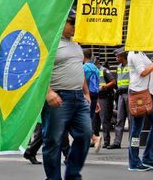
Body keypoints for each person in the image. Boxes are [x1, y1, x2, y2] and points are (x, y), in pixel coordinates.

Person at [41, 10, 92, 180]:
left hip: (79, 98)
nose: (75, 27)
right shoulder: (50, 42)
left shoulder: (76, 44)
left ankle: (72, 174)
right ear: (61, 22)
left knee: (85, 135)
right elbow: (40, 70)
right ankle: (53, 178)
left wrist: (86, 92)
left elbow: (79, 69)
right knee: (53, 141)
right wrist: (48, 92)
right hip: (58, 97)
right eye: (72, 23)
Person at [127, 51, 153, 171]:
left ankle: (147, 158)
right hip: (139, 94)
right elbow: (143, 72)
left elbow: (151, 72)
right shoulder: (134, 53)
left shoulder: (141, 53)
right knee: (136, 129)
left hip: (146, 94)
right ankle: (134, 162)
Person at [93, 55, 116, 149]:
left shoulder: (104, 70)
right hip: (95, 97)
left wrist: (103, 87)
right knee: (94, 120)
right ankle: (95, 139)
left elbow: (113, 81)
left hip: (104, 97)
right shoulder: (92, 70)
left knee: (104, 120)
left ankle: (106, 141)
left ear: (97, 61)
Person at [108, 47, 129, 149]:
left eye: (117, 56)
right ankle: (117, 142)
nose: (116, 58)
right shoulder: (119, 67)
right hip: (120, 95)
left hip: (130, 94)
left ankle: (132, 143)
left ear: (123, 56)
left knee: (132, 119)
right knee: (120, 119)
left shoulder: (131, 66)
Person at [83, 48, 102, 152]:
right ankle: (89, 140)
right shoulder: (96, 68)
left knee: (83, 120)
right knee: (88, 119)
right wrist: (98, 101)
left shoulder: (84, 67)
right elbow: (97, 85)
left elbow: (82, 83)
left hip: (86, 96)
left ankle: (94, 137)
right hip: (94, 96)